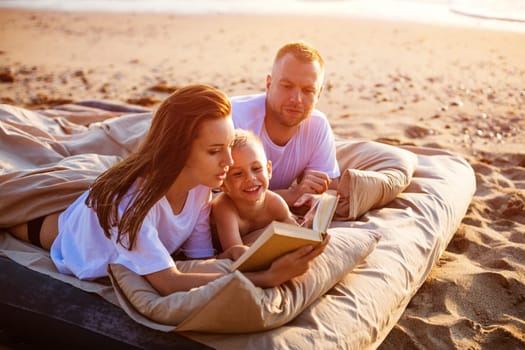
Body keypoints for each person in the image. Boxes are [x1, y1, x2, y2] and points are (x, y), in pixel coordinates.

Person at [7, 84, 328, 295]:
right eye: (215, 150)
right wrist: (265, 279)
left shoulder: (203, 187)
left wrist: (233, 254)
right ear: (179, 151)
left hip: (106, 212)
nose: (229, 161)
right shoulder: (133, 207)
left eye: (229, 146)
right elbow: (169, 281)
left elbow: (199, 256)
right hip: (68, 232)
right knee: (18, 220)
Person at [230, 40, 340, 211]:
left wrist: (309, 193)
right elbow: (220, 201)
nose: (296, 99)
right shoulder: (235, 119)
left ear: (319, 94)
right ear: (268, 84)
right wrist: (293, 195)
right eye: (287, 86)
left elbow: (324, 193)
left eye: (308, 90)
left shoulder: (317, 125)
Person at [211, 129, 302, 260]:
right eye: (237, 174)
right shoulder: (224, 209)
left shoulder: (275, 202)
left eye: (256, 169)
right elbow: (236, 252)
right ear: (223, 184)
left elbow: (295, 228)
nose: (250, 178)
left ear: (269, 170)